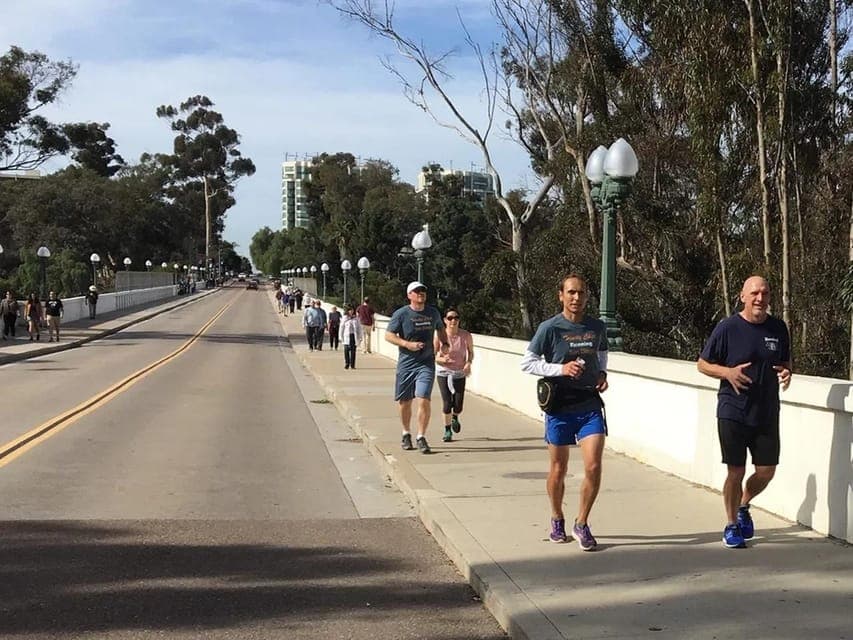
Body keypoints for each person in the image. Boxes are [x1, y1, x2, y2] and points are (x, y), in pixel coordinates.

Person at [697, 275, 792, 549]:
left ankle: (743, 504)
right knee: (735, 471)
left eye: (764, 293)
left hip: (766, 412)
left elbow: (783, 362)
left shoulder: (778, 328)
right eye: (754, 293)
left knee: (766, 471)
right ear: (743, 296)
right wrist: (727, 372)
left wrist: (787, 371)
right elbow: (702, 364)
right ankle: (730, 525)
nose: (760, 298)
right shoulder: (728, 328)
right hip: (733, 410)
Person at [520, 274, 609, 551]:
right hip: (559, 407)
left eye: (581, 293)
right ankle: (557, 516)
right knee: (559, 468)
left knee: (593, 465)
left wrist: (602, 373)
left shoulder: (596, 327)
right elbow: (528, 363)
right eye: (571, 292)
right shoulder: (550, 328)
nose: (576, 298)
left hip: (589, 404)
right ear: (561, 295)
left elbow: (602, 351)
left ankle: (582, 523)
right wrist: (561, 369)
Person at [385, 281, 450, 454]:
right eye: (416, 291)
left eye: (423, 291)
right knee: (405, 402)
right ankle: (406, 433)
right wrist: (406, 344)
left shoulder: (433, 313)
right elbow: (389, 335)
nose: (420, 293)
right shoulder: (401, 314)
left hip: (426, 363)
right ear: (409, 295)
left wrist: (445, 344)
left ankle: (421, 436)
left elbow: (441, 330)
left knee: (423, 399)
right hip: (406, 364)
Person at [433, 307, 475, 442]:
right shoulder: (439, 335)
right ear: (445, 320)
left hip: (459, 372)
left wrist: (468, 363)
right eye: (450, 318)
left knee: (458, 404)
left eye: (456, 318)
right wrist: (440, 359)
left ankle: (455, 416)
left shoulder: (466, 335)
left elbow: (471, 352)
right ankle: (447, 430)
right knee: (446, 402)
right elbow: (432, 354)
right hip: (443, 371)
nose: (453, 321)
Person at [339, 304, 363, 370]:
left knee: (353, 351)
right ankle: (347, 363)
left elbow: (359, 328)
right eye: (349, 310)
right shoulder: (345, 318)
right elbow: (342, 328)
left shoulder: (356, 318)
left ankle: (352, 365)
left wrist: (360, 336)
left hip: (353, 336)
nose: (351, 311)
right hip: (346, 336)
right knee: (346, 350)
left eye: (352, 310)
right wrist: (341, 337)